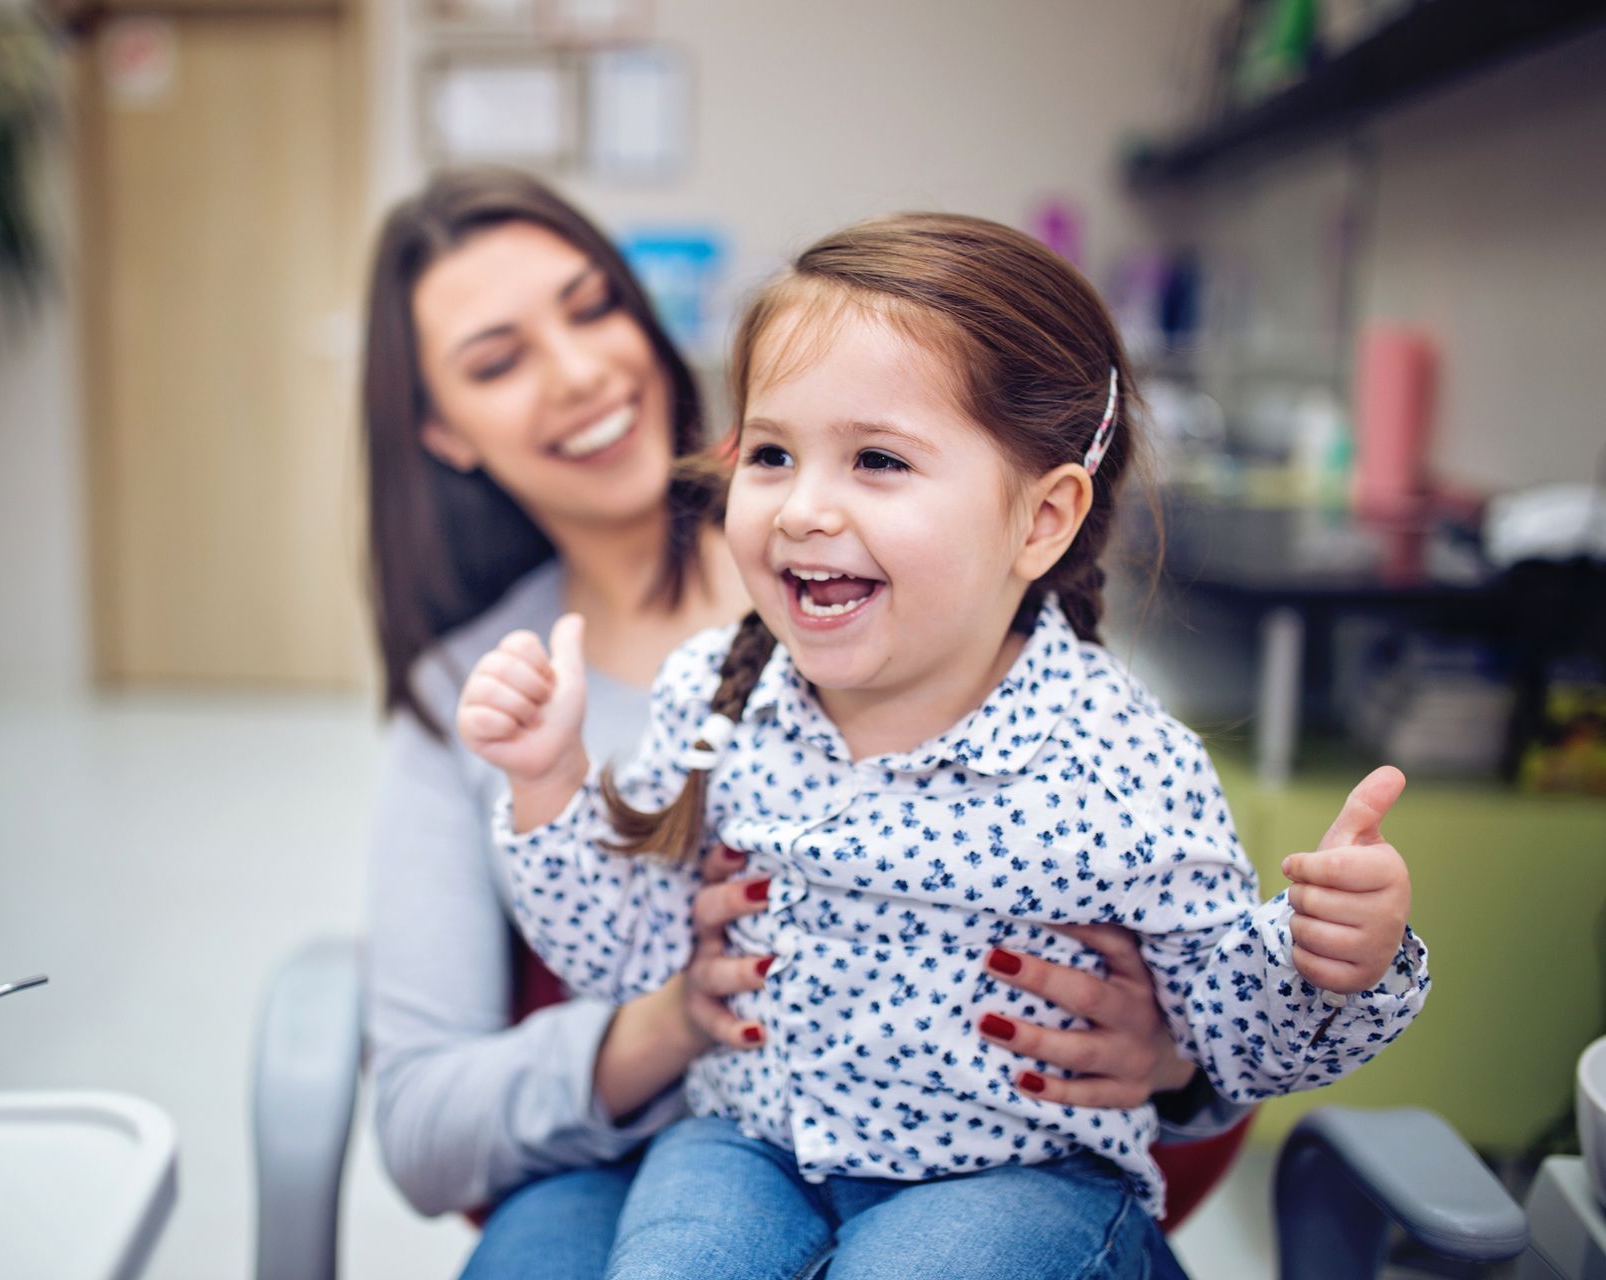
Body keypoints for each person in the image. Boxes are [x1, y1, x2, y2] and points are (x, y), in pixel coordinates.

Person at [457, 212, 1430, 1279]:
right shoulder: (714, 700)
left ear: (1041, 520)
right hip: (749, 1145)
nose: (804, 507)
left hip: (1021, 1183)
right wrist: (550, 780)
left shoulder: (1121, 763)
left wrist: (1333, 957)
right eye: (773, 452)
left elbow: (1239, 1037)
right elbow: (622, 951)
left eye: (878, 459)